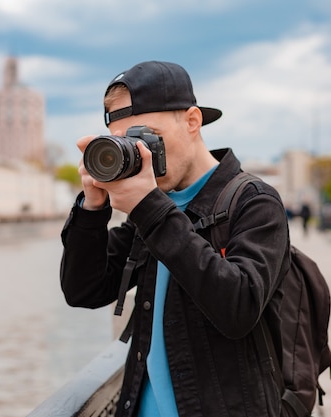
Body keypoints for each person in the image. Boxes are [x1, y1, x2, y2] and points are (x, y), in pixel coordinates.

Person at [60, 61, 291, 417]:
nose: (139, 153)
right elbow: (84, 290)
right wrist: (92, 208)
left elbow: (238, 309)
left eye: (145, 136)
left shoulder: (253, 202)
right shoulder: (152, 211)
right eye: (124, 143)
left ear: (193, 121)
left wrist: (148, 206)